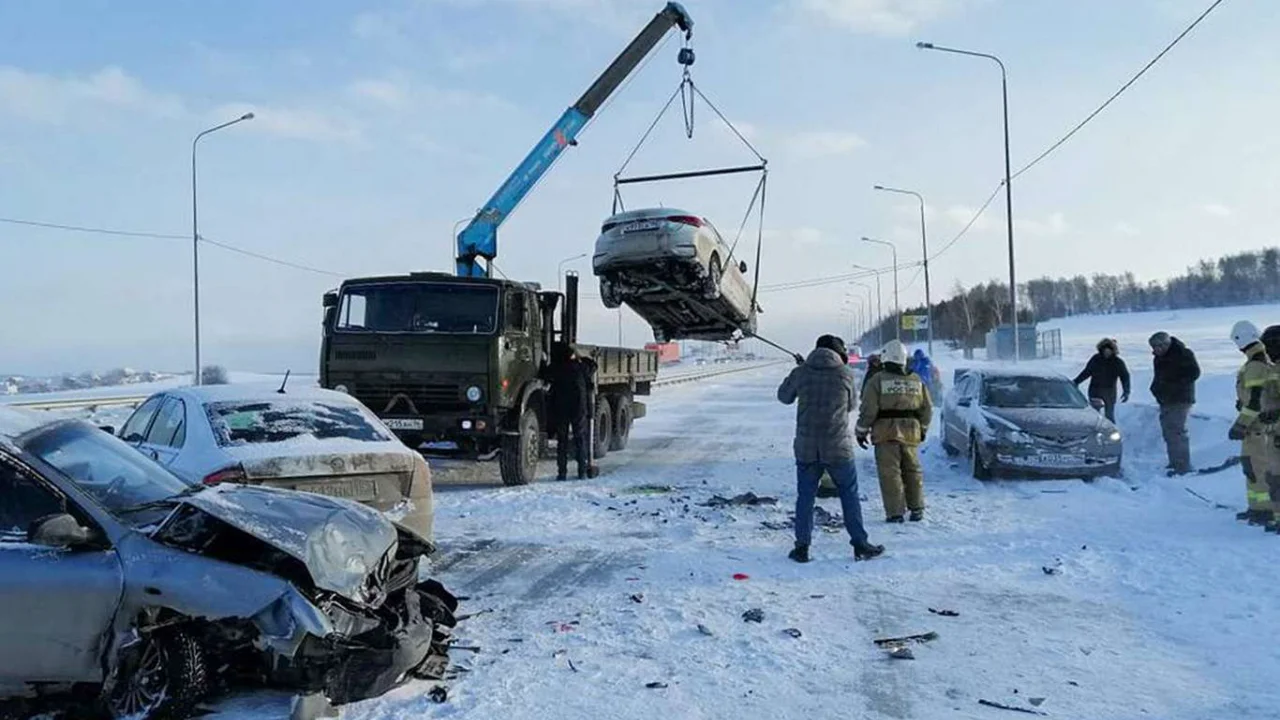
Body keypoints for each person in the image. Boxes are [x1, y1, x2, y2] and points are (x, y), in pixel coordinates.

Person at [777, 334, 883, 563]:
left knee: (805, 497)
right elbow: (852, 405)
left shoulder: (802, 372)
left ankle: (802, 548)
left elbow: (783, 397)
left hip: (807, 448)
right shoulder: (844, 374)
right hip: (838, 448)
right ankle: (860, 544)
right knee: (849, 494)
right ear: (839, 353)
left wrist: (801, 372)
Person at [857, 339, 932, 523]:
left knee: (890, 473)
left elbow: (869, 410)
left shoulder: (877, 380)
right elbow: (927, 408)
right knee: (912, 470)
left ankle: (895, 513)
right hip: (911, 432)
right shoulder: (916, 380)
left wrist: (861, 431)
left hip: (885, 433)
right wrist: (922, 429)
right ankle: (917, 508)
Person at [1228, 321, 1278, 529]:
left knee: (1258, 469)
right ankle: (1257, 508)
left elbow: (1256, 401)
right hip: (1255, 429)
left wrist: (1240, 424)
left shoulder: (1256, 365)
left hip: (1258, 429)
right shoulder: (1256, 362)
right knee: (1251, 469)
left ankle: (1264, 510)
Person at [1149, 331, 1201, 476]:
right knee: (1168, 432)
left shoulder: (1183, 354)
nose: (1155, 350)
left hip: (1180, 399)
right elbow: (1158, 377)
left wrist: (1173, 384)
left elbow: (1194, 373)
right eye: (1153, 347)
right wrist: (1155, 389)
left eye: (1157, 347)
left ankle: (1182, 466)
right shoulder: (1158, 358)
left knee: (1177, 432)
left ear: (1165, 344)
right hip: (1165, 400)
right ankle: (1174, 462)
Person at [548, 343, 598, 480]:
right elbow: (593, 365)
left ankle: (562, 473)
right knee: (580, 439)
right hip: (578, 408)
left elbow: (544, 373)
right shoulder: (581, 367)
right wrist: (579, 357)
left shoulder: (556, 368)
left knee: (562, 441)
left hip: (561, 409)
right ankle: (582, 471)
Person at [1072, 338, 1132, 423]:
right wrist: (1076, 381)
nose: (1107, 353)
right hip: (1095, 390)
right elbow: (1087, 372)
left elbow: (1125, 377)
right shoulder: (1096, 359)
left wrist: (1126, 391)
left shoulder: (1117, 362)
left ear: (1113, 351)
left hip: (1109, 392)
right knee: (1095, 414)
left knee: (1109, 415)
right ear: (1101, 349)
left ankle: (1111, 432)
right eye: (1105, 350)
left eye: (1109, 351)